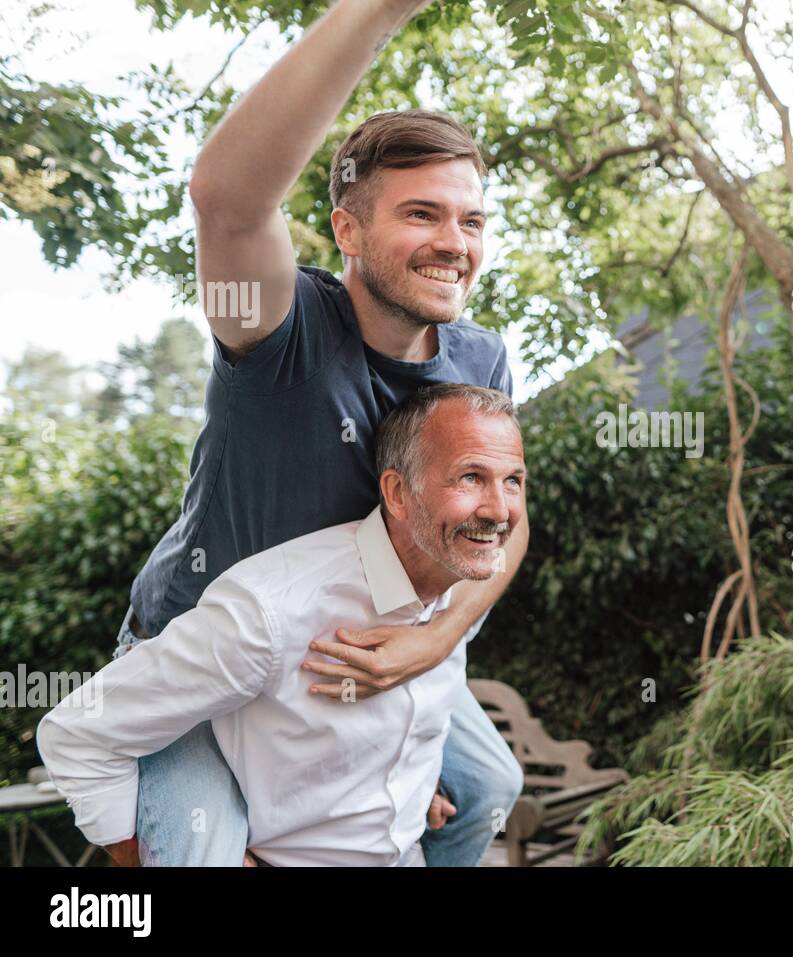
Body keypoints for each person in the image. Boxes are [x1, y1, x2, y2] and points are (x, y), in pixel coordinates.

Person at [116, 0, 525, 865]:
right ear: (347, 227)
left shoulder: (480, 360)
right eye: (422, 214)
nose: (456, 242)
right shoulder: (277, 328)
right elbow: (225, 199)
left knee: (487, 788)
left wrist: (435, 638)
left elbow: (507, 520)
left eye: (472, 220)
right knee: (200, 851)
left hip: (353, 660)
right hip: (209, 669)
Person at [40, 385, 526, 866]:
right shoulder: (269, 613)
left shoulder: (457, 582)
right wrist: (136, 853)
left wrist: (412, 791)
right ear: (398, 493)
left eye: (513, 481)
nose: (500, 511)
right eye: (470, 477)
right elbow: (76, 733)